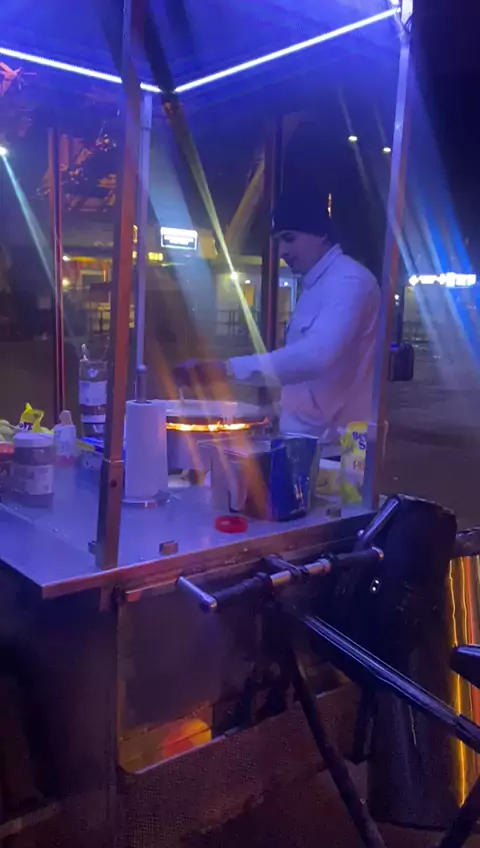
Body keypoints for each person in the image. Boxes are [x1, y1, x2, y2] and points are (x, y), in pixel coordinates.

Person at [173, 188, 380, 444]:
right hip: (306, 440)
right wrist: (275, 412)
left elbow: (315, 357)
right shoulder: (317, 283)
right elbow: (310, 383)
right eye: (278, 242)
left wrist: (226, 369)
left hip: (336, 449)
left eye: (289, 238)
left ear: (321, 234)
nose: (282, 250)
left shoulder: (349, 281)